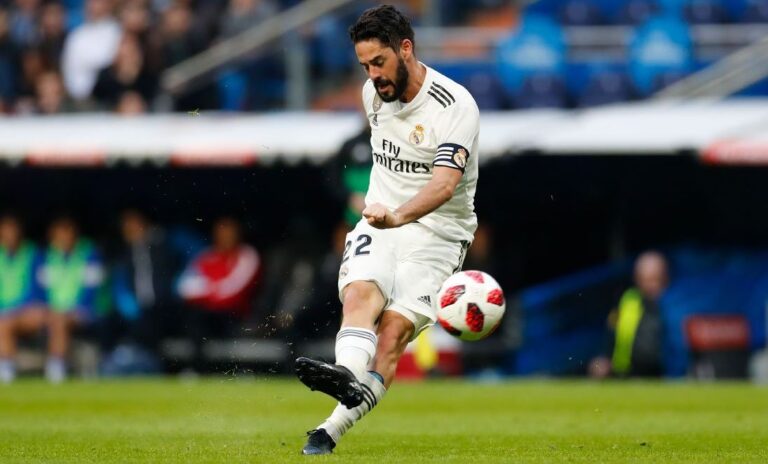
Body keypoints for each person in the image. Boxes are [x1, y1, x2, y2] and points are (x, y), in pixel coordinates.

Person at [295, 5, 480, 455]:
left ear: (406, 48)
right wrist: (386, 216)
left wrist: (400, 216)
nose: (373, 75)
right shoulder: (372, 96)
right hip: (380, 220)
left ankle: (330, 429)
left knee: (393, 333)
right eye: (364, 66)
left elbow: (444, 184)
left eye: (379, 62)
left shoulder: (455, 106)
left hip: (439, 233)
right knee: (360, 294)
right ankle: (345, 373)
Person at [177, 216, 261, 371]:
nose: (225, 237)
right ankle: (197, 370)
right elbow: (184, 287)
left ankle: (238, 370)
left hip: (236, 315)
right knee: (193, 318)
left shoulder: (247, 255)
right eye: (221, 233)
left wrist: (205, 290)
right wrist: (212, 291)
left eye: (229, 233)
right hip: (207, 314)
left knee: (210, 318)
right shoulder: (206, 256)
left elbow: (234, 291)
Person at [38, 216, 105, 383]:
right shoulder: (46, 256)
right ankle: (6, 369)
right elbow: (39, 291)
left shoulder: (90, 254)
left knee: (59, 320)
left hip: (83, 311)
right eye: (60, 233)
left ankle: (56, 367)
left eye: (68, 232)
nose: (64, 237)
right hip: (52, 312)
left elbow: (91, 291)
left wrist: (71, 310)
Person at [589, 251, 669, 378]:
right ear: (637, 279)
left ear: (665, 279)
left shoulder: (675, 307)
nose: (650, 286)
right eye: (645, 280)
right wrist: (602, 362)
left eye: (655, 280)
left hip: (662, 377)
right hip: (623, 375)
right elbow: (609, 340)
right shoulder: (627, 302)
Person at [0, 214, 45, 383]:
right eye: (6, 231)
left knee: (4, 324)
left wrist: (12, 309)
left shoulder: (33, 254)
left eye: (13, 230)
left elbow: (37, 290)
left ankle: (6, 369)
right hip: (4, 312)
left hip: (26, 311)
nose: (10, 235)